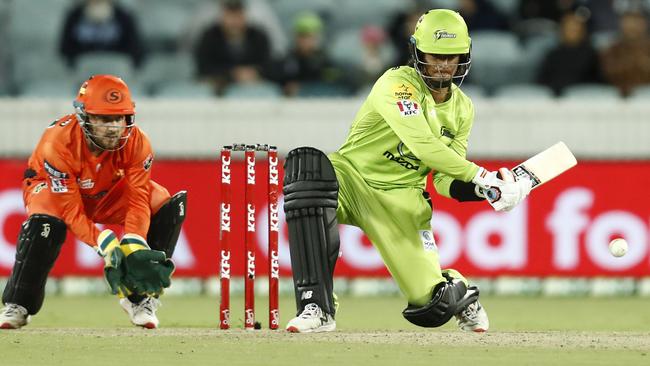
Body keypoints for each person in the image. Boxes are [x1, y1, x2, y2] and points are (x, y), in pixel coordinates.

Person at [282, 9, 532, 333]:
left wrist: (486, 190)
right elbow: (423, 145)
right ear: (418, 52)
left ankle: (460, 290)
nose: (443, 65)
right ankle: (317, 308)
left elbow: (443, 179)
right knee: (308, 170)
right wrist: (481, 176)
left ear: (463, 56)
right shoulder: (396, 84)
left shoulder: (462, 109)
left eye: (450, 57)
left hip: (402, 202)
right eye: (435, 56)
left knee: (433, 306)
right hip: (351, 177)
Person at [0, 75, 186, 330]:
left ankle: (139, 298)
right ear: (84, 117)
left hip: (107, 193)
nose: (113, 128)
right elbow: (69, 208)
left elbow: (138, 197)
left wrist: (135, 240)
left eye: (119, 118)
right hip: (53, 192)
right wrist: (101, 241)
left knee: (164, 203)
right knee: (44, 224)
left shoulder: (138, 142)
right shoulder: (58, 142)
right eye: (104, 119)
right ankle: (18, 304)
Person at [194, 0, 272, 94]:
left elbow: (268, 65)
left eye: (238, 16)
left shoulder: (259, 37)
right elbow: (203, 67)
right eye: (230, 16)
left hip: (252, 89)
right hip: (218, 88)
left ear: (245, 17)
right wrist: (233, 74)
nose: (234, 22)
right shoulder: (209, 37)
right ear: (222, 17)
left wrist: (255, 72)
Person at [59, 0, 144, 68]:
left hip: (116, 74)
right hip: (83, 75)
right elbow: (65, 51)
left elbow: (135, 52)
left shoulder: (124, 17)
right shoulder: (74, 16)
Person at [537, 12, 602, 96]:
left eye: (575, 27)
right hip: (554, 101)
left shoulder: (591, 55)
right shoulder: (553, 55)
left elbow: (596, 83)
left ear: (583, 30)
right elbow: (541, 81)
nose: (572, 30)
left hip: (583, 99)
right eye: (568, 27)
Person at [601, 10, 650, 96]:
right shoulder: (613, 49)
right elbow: (608, 73)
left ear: (644, 24)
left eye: (636, 22)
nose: (632, 27)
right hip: (619, 99)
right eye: (628, 23)